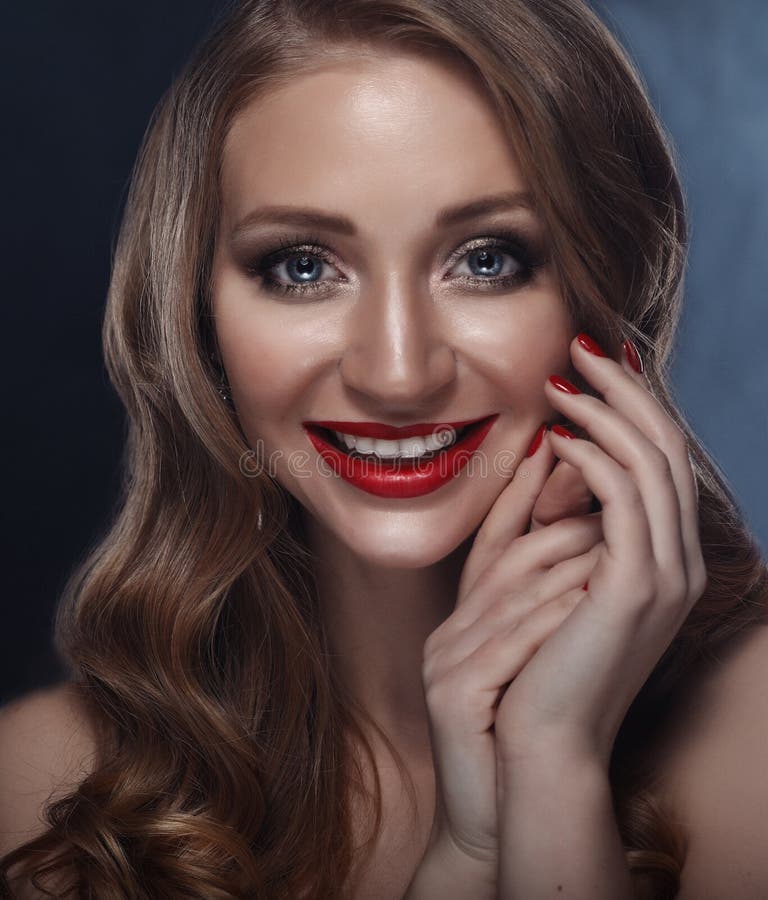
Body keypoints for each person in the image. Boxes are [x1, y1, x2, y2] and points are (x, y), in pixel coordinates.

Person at [1, 0, 767, 897]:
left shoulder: (752, 731)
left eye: (488, 259)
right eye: (302, 266)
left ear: (608, 301)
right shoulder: (34, 786)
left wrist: (551, 766)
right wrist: (470, 859)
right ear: (197, 319)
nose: (398, 375)